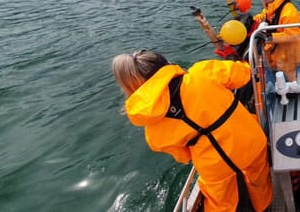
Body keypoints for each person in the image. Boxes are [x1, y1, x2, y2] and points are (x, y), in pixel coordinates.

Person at [112, 50, 272, 212]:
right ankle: (264, 207)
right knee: (260, 181)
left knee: (220, 204)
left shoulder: (152, 130)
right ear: (165, 65)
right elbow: (243, 74)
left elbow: (184, 156)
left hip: (215, 168)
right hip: (250, 141)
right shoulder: (201, 72)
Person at [253, 0, 300, 82]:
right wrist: (253, 21)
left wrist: (269, 37)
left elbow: (293, 35)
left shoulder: (290, 12)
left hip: (289, 52)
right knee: (279, 76)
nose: (264, 0)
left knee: (290, 75)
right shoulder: (271, 4)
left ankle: (293, 88)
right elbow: (265, 15)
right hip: (276, 51)